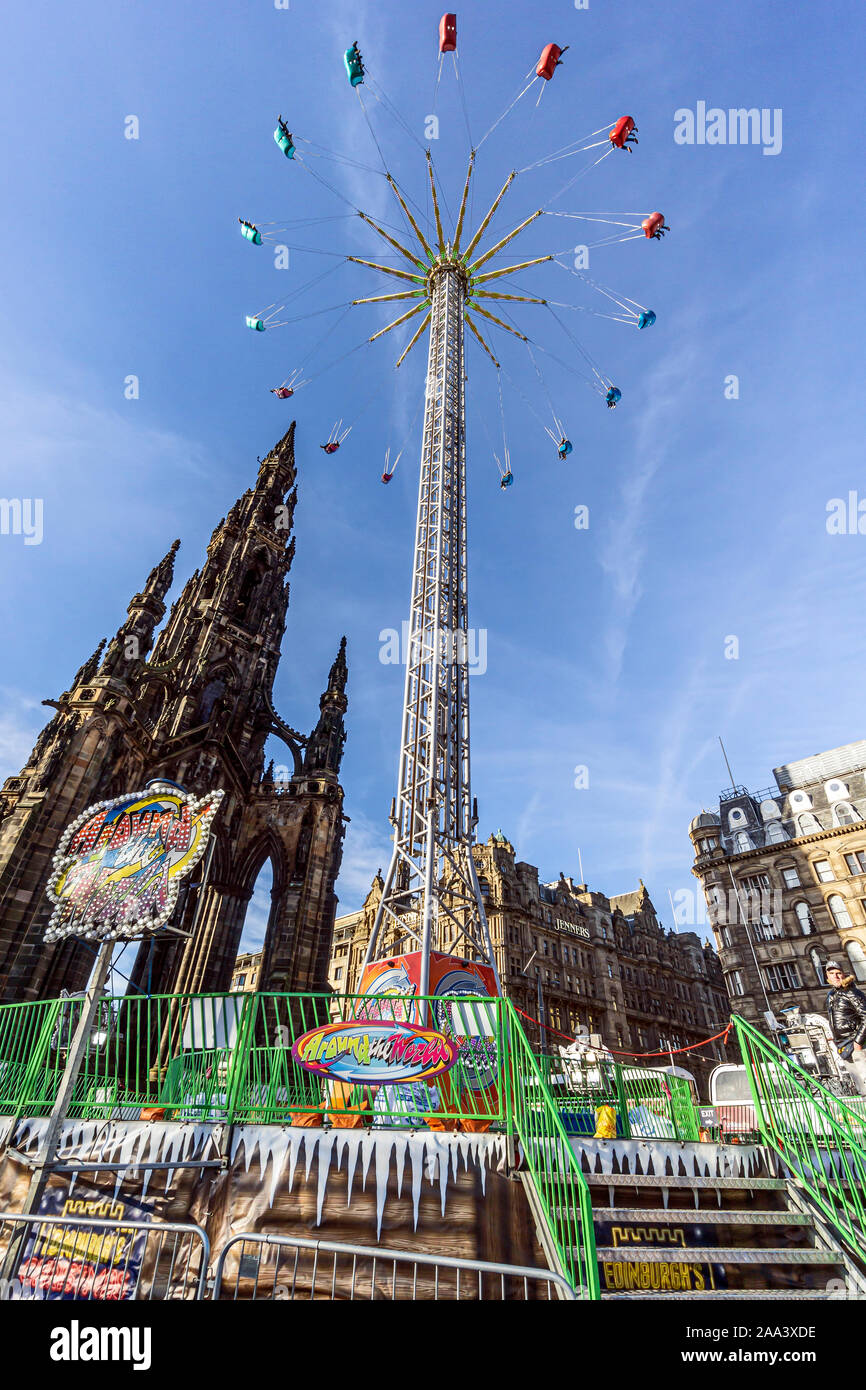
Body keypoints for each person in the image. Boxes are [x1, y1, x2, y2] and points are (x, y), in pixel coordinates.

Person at [825, 960, 866, 1095]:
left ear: (844, 974)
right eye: (831, 973)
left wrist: (858, 1043)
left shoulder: (853, 992)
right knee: (861, 1088)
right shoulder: (831, 995)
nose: (835, 976)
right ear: (828, 976)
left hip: (857, 1044)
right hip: (843, 1046)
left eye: (838, 973)